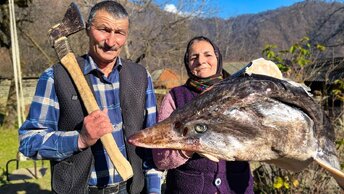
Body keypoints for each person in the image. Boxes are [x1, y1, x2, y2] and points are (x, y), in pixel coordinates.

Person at [18, 1, 161, 194]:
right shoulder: (55, 77)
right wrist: (80, 139)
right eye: (103, 29)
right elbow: (29, 142)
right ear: (87, 29)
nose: (111, 42)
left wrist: (153, 190)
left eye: (119, 33)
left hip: (132, 189)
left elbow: (152, 143)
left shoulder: (141, 77)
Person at [152, 36, 254, 194]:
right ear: (187, 63)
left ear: (217, 58)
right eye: (194, 57)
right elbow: (161, 157)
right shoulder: (176, 97)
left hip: (237, 185)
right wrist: (189, 146)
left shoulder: (239, 92)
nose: (201, 61)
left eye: (208, 55)